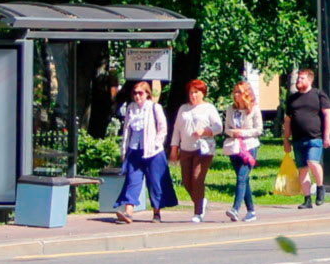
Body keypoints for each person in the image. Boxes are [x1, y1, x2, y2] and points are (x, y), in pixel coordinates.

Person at [112, 81, 168, 224]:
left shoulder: (155, 108)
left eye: (140, 93)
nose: (137, 96)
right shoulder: (131, 109)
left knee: (155, 182)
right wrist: (124, 149)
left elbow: (163, 128)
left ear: (147, 94)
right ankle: (128, 212)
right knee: (132, 180)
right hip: (134, 150)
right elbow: (126, 130)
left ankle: (156, 213)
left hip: (153, 152)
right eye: (135, 93)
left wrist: (156, 144)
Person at [170, 79, 223, 223]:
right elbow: (176, 129)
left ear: (203, 93)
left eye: (196, 92)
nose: (193, 95)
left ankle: (198, 212)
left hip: (203, 149)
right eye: (191, 92)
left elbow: (219, 127)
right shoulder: (183, 108)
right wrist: (174, 148)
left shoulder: (208, 108)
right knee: (187, 182)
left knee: (197, 178)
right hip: (186, 149)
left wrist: (206, 131)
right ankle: (201, 201)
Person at [286, 67, 330, 207]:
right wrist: (286, 139)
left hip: (315, 137)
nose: (298, 81)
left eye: (302, 78)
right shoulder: (292, 99)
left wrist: (327, 136)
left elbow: (328, 115)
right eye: (297, 78)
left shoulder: (318, 94)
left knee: (312, 162)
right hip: (298, 139)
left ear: (310, 80)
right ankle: (307, 199)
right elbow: (288, 120)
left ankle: (320, 187)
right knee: (302, 169)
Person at [223, 81, 262, 222]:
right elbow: (226, 127)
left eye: (239, 92)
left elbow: (259, 129)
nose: (236, 95)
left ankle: (235, 209)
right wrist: (233, 132)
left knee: (241, 177)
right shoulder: (230, 109)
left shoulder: (254, 109)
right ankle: (251, 211)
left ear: (246, 94)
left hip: (249, 146)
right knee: (244, 180)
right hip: (234, 147)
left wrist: (243, 133)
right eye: (235, 92)